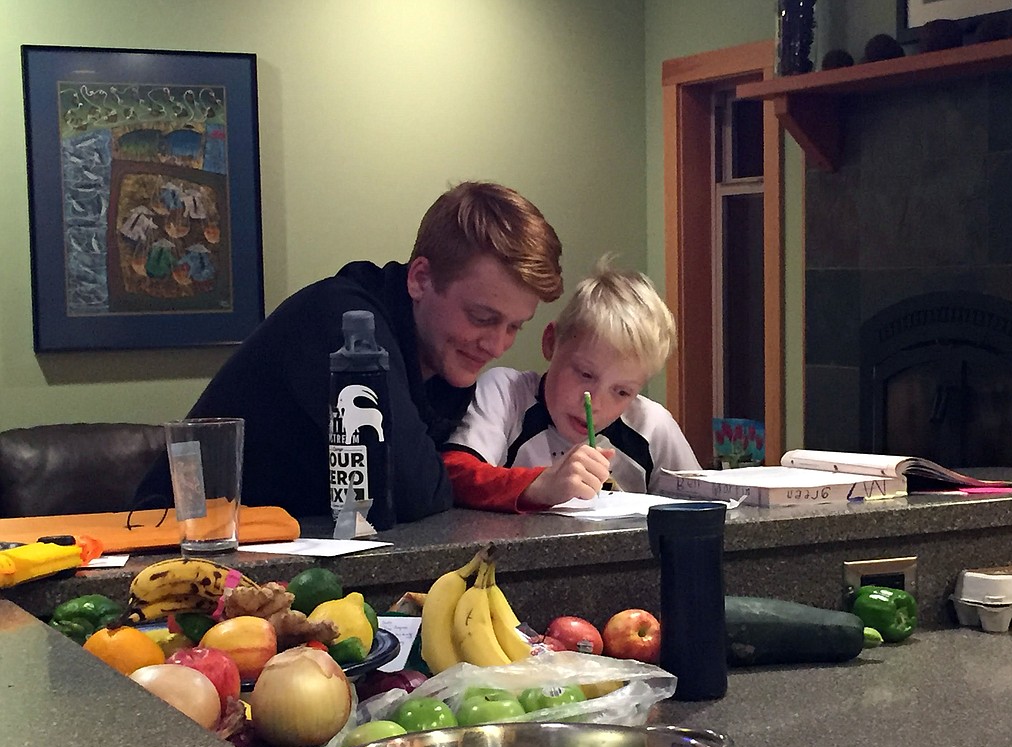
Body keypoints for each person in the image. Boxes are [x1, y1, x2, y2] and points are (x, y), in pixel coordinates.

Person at [135, 181, 563, 523]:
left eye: (514, 327)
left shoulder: (447, 363)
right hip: (183, 545)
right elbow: (413, 494)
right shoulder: (343, 321)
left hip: (301, 554)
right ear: (420, 279)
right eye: (483, 318)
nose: (498, 345)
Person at [441, 257, 699, 512]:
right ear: (551, 343)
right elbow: (451, 475)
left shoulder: (652, 427)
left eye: (622, 392)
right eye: (585, 374)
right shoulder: (506, 394)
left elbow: (705, 508)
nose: (595, 403)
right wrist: (540, 485)